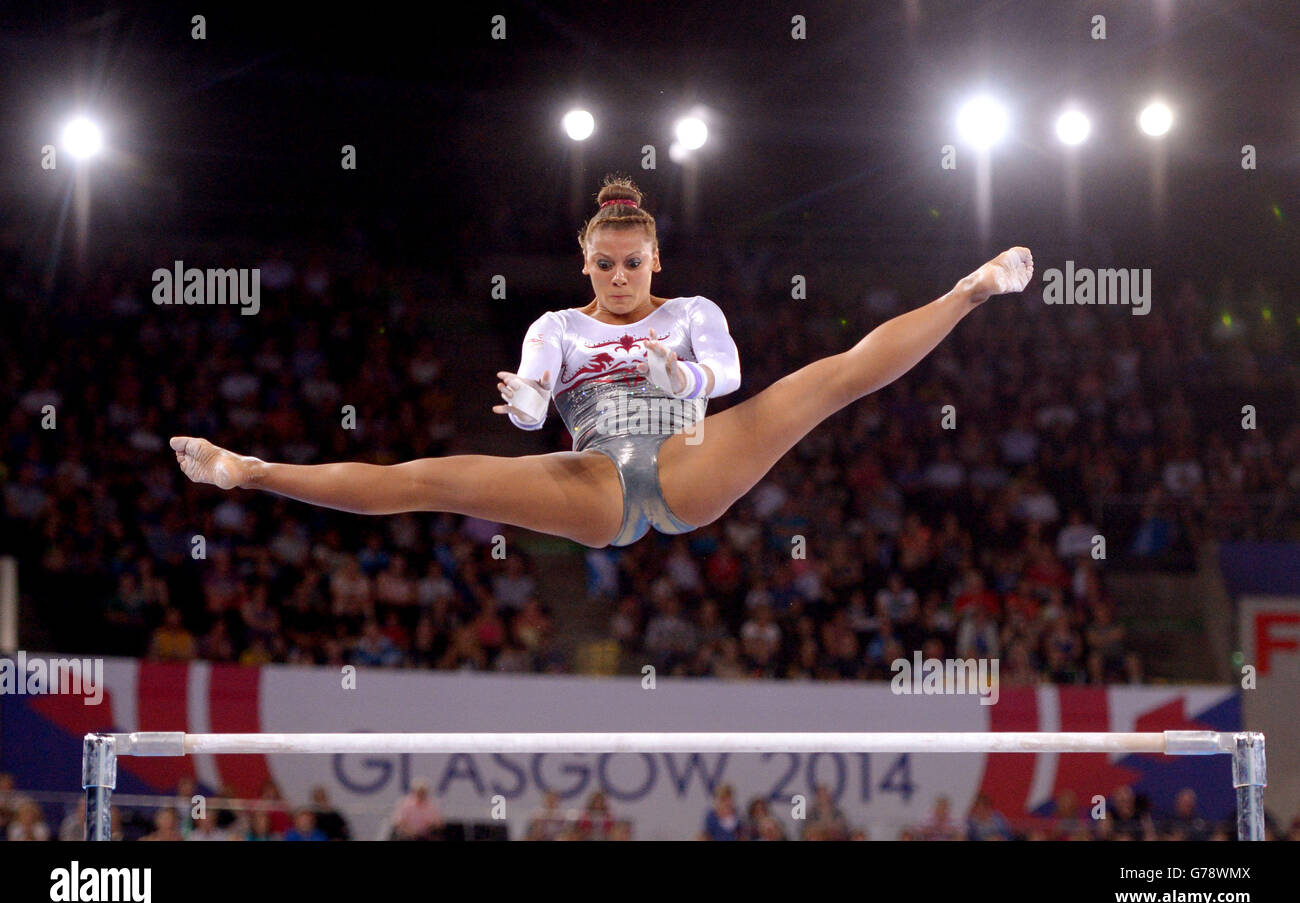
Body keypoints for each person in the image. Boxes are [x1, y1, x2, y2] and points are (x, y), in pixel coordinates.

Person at [169, 175, 1033, 549]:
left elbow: (727, 381)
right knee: (424, 480)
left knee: (829, 381)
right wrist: (520, 403)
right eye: (605, 263)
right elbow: (535, 405)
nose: (620, 276)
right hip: (596, 483)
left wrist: (677, 377)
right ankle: (250, 470)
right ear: (585, 260)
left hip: (691, 458)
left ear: (655, 258)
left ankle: (965, 291)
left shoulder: (694, 313)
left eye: (634, 262)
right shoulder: (555, 325)